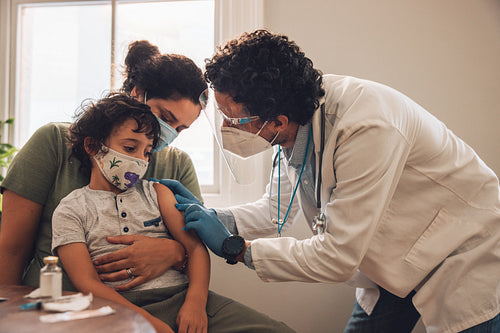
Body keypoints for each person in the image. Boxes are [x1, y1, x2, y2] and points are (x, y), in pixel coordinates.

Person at [159, 29, 500, 333]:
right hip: (396, 258)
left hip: (462, 252)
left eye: (233, 119)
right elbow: (275, 211)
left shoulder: (366, 126)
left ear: (276, 120)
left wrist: (235, 248)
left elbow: (337, 256)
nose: (226, 128)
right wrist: (213, 219)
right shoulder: (292, 129)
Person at [0, 40, 296, 332]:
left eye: (180, 129)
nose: (167, 134)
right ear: (137, 94)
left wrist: (173, 253)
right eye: (166, 118)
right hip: (74, 303)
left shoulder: (175, 167)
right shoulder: (54, 143)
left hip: (172, 298)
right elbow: (12, 249)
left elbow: (195, 244)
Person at [52, 93, 208, 333]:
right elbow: (86, 282)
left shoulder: (158, 193)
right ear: (94, 147)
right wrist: (145, 321)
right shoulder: (71, 209)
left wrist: (195, 304)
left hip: (180, 297)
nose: (140, 160)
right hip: (117, 308)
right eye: (129, 148)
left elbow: (196, 248)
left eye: (146, 152)